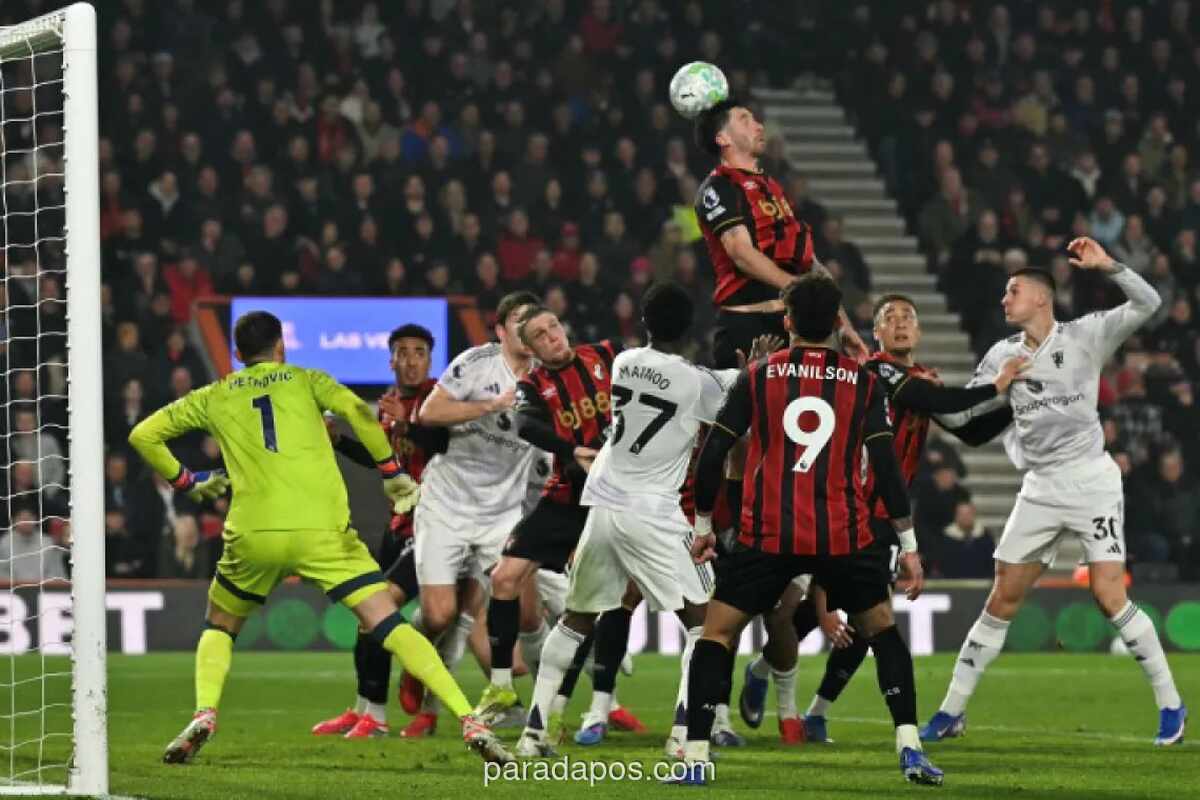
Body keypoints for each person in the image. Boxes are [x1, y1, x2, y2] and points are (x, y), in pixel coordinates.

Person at [128, 311, 510, 765]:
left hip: (254, 533)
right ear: (281, 348)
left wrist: (188, 481)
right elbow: (354, 413)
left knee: (219, 625)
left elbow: (143, 434)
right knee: (387, 622)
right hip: (322, 532)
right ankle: (469, 719)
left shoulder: (213, 395)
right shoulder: (308, 379)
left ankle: (205, 713)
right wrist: (390, 473)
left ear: (237, 354)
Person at [671, 274, 943, 786]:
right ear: (837, 323)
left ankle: (697, 756)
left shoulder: (757, 375)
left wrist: (705, 526)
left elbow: (712, 455)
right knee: (881, 630)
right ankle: (910, 748)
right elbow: (886, 469)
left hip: (766, 534)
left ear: (788, 320)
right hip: (843, 533)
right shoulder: (864, 381)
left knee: (718, 634)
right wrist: (908, 545)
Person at [921, 237, 1187, 747]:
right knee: (1002, 598)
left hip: (1090, 480)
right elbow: (963, 416)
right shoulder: (1002, 355)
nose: (1004, 300)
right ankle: (951, 711)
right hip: (1039, 486)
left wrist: (1109, 266)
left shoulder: (1087, 335)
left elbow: (1149, 303)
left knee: (1109, 595)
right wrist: (971, 388)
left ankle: (1171, 706)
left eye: (1012, 291)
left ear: (1041, 298)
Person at [738, 293, 1026, 743]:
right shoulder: (874, 372)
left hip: (882, 519)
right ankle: (767, 674)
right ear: (876, 332)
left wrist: (1018, 405)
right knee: (812, 612)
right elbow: (939, 398)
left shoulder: (922, 379)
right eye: (889, 318)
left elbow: (968, 430)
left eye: (908, 317)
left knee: (865, 620)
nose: (900, 324)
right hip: (838, 504)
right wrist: (998, 385)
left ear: (920, 330)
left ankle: (804, 704)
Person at [511, 284, 776, 758]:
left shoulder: (623, 363)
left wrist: (742, 372)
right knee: (706, 623)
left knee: (576, 619)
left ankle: (534, 733)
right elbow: (735, 394)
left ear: (645, 325)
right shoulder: (696, 382)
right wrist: (754, 368)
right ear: (689, 328)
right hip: (650, 510)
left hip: (603, 502)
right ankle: (681, 734)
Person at [472, 307, 619, 724]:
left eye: (553, 326)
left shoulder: (609, 355)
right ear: (531, 348)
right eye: (539, 334)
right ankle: (501, 686)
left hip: (616, 502)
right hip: (566, 498)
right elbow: (524, 425)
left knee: (602, 603)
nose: (552, 336)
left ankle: (590, 707)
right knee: (503, 578)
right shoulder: (533, 383)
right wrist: (571, 450)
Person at [410, 292, 544, 732]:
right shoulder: (477, 363)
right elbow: (430, 412)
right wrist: (490, 405)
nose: (527, 329)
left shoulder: (547, 376)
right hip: (447, 503)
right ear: (502, 330)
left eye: (534, 321)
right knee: (439, 615)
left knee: (526, 616)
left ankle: (513, 700)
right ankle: (416, 656)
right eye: (518, 322)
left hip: (503, 512)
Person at [311, 323, 449, 739]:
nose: (410, 360)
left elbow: (443, 444)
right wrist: (338, 441)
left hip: (433, 527)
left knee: (382, 608)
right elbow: (382, 460)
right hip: (398, 525)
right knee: (366, 612)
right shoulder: (390, 406)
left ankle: (381, 719)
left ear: (429, 359)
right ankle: (364, 709)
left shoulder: (441, 399)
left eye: (419, 351)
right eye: (402, 352)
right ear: (390, 359)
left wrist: (408, 424)